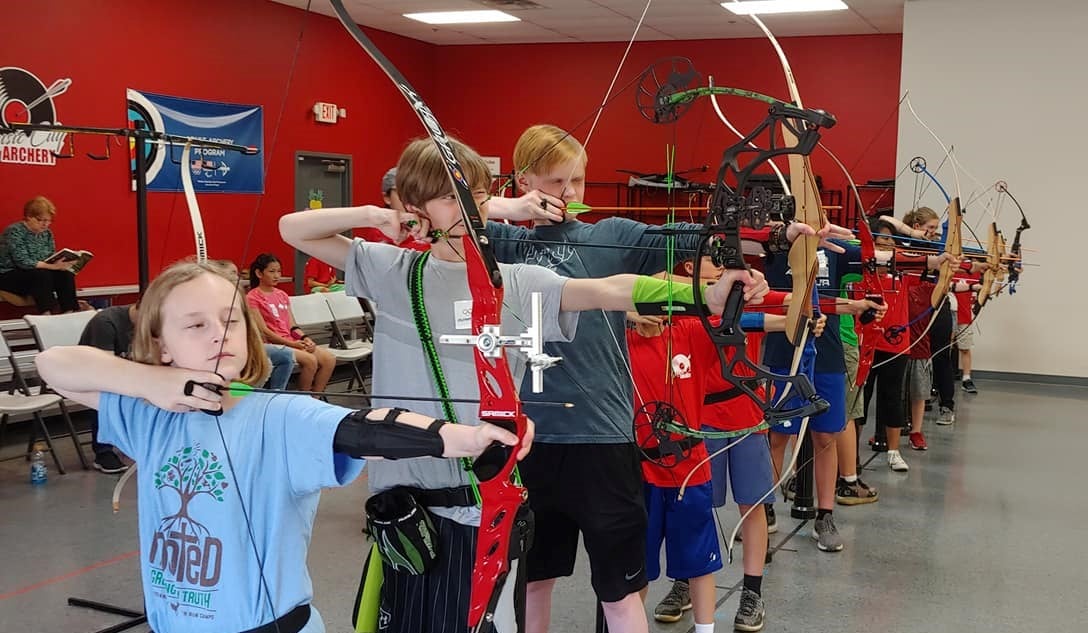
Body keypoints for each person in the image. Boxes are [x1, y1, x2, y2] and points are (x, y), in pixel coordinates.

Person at [279, 134, 767, 633]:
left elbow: (611, 289)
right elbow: (292, 228)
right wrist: (378, 216)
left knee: (491, 614)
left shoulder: (515, 279)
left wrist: (704, 293)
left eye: (475, 195)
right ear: (415, 207)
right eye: (452, 197)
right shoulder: (392, 269)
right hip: (408, 496)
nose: (468, 210)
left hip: (484, 493)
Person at [483, 124, 845, 633]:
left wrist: (778, 232)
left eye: (578, 181)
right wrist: (507, 210)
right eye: (555, 181)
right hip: (527, 434)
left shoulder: (609, 235)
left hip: (604, 433)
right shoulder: (497, 239)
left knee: (619, 585)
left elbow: (689, 236)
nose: (569, 194)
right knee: (533, 578)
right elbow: (430, 221)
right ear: (523, 179)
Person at [34, 260, 524, 633]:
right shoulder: (149, 414)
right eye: (195, 325)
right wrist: (153, 383)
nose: (218, 334)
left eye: (229, 320)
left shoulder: (282, 417)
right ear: (161, 344)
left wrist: (471, 437)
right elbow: (54, 364)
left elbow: (366, 429)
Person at [246, 254, 336, 393]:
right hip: (274, 345)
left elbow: (292, 325)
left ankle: (316, 398)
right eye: (272, 271)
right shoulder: (252, 297)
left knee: (329, 359)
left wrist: (305, 338)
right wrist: (292, 344)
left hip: (291, 341)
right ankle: (303, 399)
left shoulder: (282, 295)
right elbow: (264, 330)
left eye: (279, 271)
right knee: (310, 360)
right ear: (259, 273)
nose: (277, 275)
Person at [211, 259, 296, 390]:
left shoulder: (240, 296)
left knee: (285, 355)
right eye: (233, 273)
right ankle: (246, 396)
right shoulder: (215, 299)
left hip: (250, 343)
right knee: (262, 362)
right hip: (228, 346)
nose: (237, 276)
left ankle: (276, 394)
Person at [77, 302, 137, 474]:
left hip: (124, 372)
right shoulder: (106, 322)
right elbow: (104, 369)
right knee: (108, 393)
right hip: (91, 374)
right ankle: (103, 452)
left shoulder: (151, 323)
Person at [0, 196, 79, 313]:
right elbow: (23, 262)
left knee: (66, 275)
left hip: (36, 274)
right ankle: (46, 314)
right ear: (28, 217)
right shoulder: (14, 231)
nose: (45, 224)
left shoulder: (46, 234)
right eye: (41, 220)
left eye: (48, 221)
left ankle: (70, 311)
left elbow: (49, 258)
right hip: (8, 275)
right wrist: (52, 267)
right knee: (41, 275)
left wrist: (62, 263)